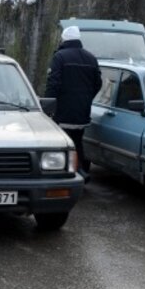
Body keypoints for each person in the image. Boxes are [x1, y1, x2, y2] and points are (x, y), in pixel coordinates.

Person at [44, 25, 102, 183]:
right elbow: (98, 83)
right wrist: (87, 98)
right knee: (77, 142)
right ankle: (81, 171)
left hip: (63, 112)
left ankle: (73, 174)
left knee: (63, 145)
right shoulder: (91, 58)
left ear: (64, 39)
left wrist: (48, 105)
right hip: (82, 112)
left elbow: (53, 84)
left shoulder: (60, 57)